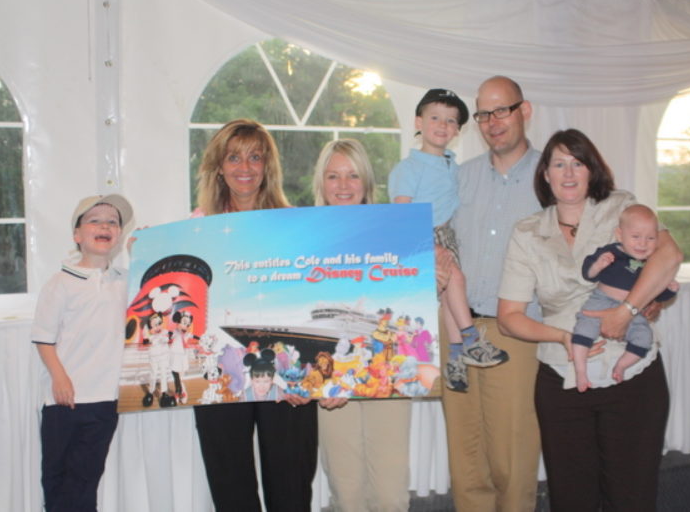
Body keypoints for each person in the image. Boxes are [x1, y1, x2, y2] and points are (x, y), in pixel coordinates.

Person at [497, 128, 683, 511]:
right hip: (562, 380)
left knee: (631, 498)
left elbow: (669, 257)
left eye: (577, 163)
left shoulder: (621, 207)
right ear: (544, 174)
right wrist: (563, 337)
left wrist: (627, 310)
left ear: (591, 170)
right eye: (558, 164)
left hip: (630, 377)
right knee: (571, 500)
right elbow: (509, 318)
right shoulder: (527, 232)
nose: (568, 173)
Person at [192, 119, 317, 512]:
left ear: (267, 166)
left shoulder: (294, 224)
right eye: (233, 157)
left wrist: (307, 374)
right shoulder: (195, 227)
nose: (244, 167)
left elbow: (310, 302)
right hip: (221, 367)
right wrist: (144, 250)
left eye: (255, 156)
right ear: (218, 166)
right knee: (230, 481)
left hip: (284, 367)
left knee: (290, 481)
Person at [442, 76, 544, 511]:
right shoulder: (457, 179)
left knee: (512, 463)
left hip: (515, 333)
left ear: (525, 110)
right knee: (467, 465)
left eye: (502, 110)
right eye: (484, 113)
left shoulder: (555, 175)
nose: (492, 122)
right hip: (457, 329)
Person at [313, 138, 413, 511]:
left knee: (390, 490)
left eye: (353, 175)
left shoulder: (396, 233)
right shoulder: (303, 237)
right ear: (320, 183)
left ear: (367, 182)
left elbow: (408, 301)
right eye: (333, 175)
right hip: (331, 378)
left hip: (387, 372)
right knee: (347, 489)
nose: (343, 185)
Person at [389, 88, 508, 392]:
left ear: (457, 129)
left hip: (447, 232)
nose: (442, 125)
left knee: (449, 296)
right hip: (422, 232)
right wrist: (425, 242)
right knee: (455, 278)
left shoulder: (453, 165)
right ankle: (470, 338)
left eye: (451, 121)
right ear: (419, 121)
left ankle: (455, 357)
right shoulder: (409, 167)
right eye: (435, 118)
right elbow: (401, 211)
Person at [31, 193, 134, 512]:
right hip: (66, 401)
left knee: (86, 479)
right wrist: (60, 379)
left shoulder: (123, 282)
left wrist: (142, 254)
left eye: (113, 222)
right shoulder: (60, 283)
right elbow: (43, 338)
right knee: (58, 480)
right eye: (95, 220)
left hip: (105, 400)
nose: (105, 225)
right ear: (77, 235)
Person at [571, 203, 679, 392]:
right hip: (602, 300)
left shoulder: (652, 263)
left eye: (650, 238)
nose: (642, 244)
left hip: (634, 310)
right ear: (620, 235)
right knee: (583, 328)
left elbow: (657, 292)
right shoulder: (611, 252)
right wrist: (598, 264)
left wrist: (670, 289)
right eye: (635, 237)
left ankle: (621, 365)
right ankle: (580, 370)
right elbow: (588, 274)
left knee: (644, 338)